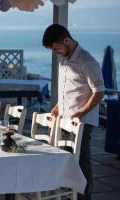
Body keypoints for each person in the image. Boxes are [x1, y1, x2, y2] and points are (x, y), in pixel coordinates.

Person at [42, 24, 105, 200]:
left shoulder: (87, 61)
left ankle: (84, 197)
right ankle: (70, 195)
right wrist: (58, 106)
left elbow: (99, 91)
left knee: (81, 162)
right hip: (64, 119)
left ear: (67, 40)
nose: (55, 52)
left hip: (81, 122)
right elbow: (68, 89)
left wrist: (81, 112)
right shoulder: (64, 58)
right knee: (67, 159)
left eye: (56, 48)